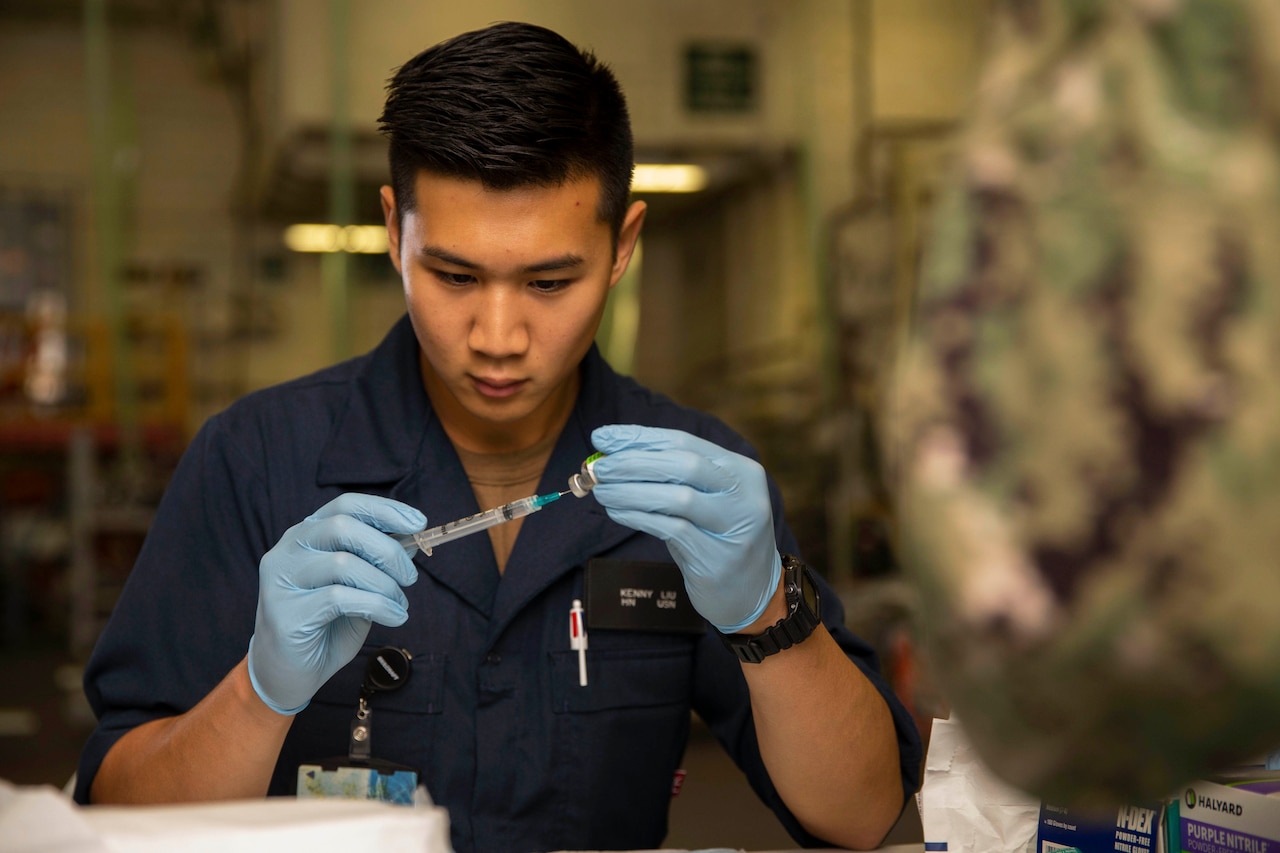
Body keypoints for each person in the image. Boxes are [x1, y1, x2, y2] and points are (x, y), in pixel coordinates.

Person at [74, 21, 921, 852]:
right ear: (391, 230)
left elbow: (860, 815)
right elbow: (118, 814)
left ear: (622, 245)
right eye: (454, 275)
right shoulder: (258, 460)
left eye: (551, 280)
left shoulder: (698, 487)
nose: (499, 335)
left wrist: (769, 614)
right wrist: (260, 694)